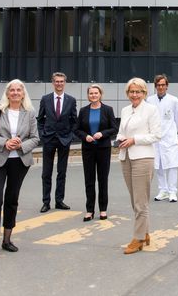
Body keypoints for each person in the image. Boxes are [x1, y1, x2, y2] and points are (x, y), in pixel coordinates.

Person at [0, 79, 40, 260]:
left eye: (18, 90)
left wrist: (19, 145)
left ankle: (7, 239)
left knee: (12, 199)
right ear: (7, 93)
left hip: (19, 162)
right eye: (11, 90)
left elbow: (35, 138)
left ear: (23, 93)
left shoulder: (29, 113)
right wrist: (5, 142)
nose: (15, 93)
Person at [116, 78, 162, 254]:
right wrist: (121, 139)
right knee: (135, 200)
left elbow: (157, 135)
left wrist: (134, 140)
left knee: (140, 202)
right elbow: (122, 131)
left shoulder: (151, 110)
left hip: (143, 158)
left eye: (138, 92)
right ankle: (145, 233)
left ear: (144, 93)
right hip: (126, 156)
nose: (134, 95)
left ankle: (138, 238)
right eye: (131, 92)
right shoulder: (126, 110)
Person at [74, 84, 119, 221]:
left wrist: (102, 133)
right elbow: (77, 129)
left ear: (100, 95)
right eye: (91, 93)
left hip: (103, 149)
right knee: (89, 180)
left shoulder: (108, 110)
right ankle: (89, 210)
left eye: (96, 93)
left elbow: (114, 129)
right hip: (88, 149)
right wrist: (85, 136)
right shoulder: (83, 111)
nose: (93, 95)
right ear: (88, 95)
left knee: (102, 179)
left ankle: (103, 209)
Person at [37, 72, 77, 212]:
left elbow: (74, 120)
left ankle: (59, 200)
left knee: (62, 172)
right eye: (57, 81)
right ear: (53, 83)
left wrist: (70, 136)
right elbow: (40, 119)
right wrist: (42, 135)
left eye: (61, 81)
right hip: (49, 139)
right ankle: (46, 202)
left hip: (64, 139)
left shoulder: (71, 100)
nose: (59, 83)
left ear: (64, 83)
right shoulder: (45, 99)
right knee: (46, 172)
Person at [146, 74, 178, 202]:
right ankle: (163, 190)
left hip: (169, 138)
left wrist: (171, 132)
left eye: (163, 85)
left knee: (172, 165)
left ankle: (172, 191)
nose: (161, 87)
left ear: (167, 86)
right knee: (159, 165)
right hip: (156, 139)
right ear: (155, 86)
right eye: (158, 85)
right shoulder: (150, 100)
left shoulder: (174, 100)